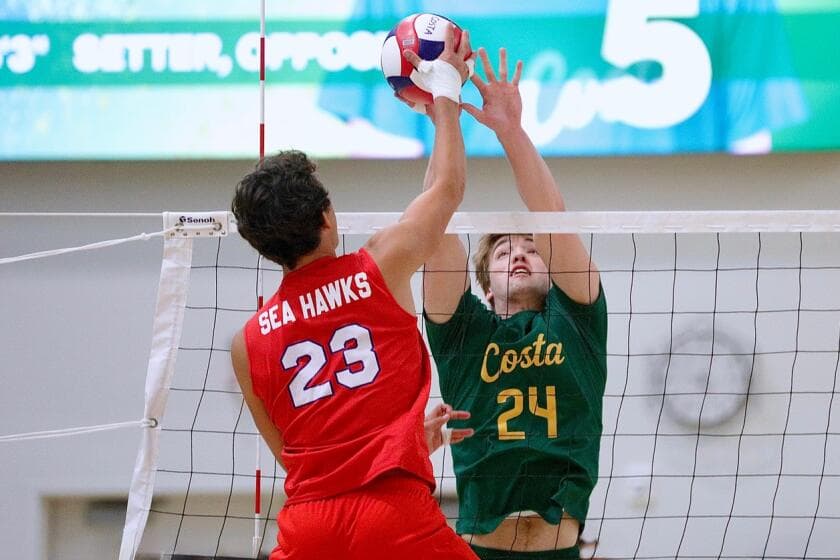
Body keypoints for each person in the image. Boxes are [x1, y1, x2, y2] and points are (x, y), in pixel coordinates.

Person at [229, 25, 479, 560]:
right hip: (392, 511)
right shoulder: (378, 267)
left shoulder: (247, 343)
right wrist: (446, 97)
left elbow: (295, 455)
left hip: (308, 524)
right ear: (326, 217)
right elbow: (447, 191)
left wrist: (405, 441)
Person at [422, 47, 608, 560]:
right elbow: (433, 224)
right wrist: (445, 109)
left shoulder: (580, 321)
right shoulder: (465, 332)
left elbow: (550, 213)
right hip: (479, 551)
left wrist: (509, 129)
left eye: (531, 248)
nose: (521, 254)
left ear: (552, 269)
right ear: (484, 285)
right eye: (505, 251)